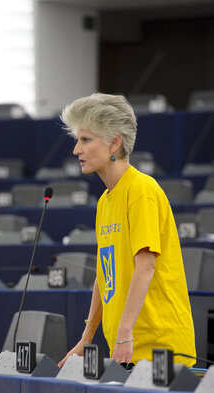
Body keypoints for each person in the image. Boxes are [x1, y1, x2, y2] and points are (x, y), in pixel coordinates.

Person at [58, 92, 196, 368]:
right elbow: (104, 274)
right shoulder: (105, 201)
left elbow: (145, 266)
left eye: (86, 140)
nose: (76, 150)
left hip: (160, 348)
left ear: (114, 142)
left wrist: (123, 333)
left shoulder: (141, 191)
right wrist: (87, 337)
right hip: (128, 347)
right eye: (77, 140)